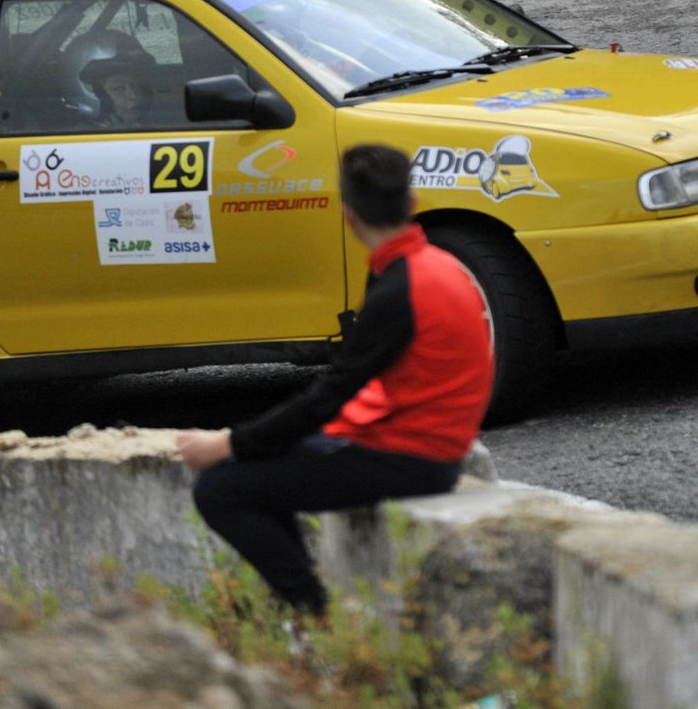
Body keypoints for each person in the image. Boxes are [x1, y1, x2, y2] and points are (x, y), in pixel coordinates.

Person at [179, 144, 494, 615]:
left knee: (219, 489)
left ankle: (313, 612)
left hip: (410, 457)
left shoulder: (398, 290)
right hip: (433, 445)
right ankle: (306, 601)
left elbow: (327, 397)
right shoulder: (442, 267)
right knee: (266, 468)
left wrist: (228, 443)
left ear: (348, 216)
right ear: (412, 205)